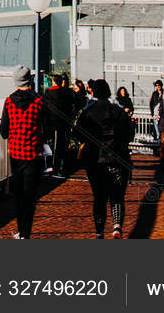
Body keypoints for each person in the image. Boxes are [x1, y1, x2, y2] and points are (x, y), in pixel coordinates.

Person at [75, 77, 135, 239]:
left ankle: (99, 232)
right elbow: (129, 134)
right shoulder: (119, 111)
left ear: (94, 92)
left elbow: (78, 133)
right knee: (117, 196)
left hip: (95, 160)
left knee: (99, 196)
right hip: (118, 158)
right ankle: (117, 226)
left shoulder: (88, 112)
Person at [0, 65, 47, 239]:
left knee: (19, 194)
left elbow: (4, 131)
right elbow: (47, 127)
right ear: (30, 80)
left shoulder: (9, 101)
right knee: (31, 195)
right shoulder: (39, 101)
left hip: (16, 154)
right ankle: (26, 232)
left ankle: (21, 231)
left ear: (16, 81)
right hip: (34, 154)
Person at [44, 74, 74, 178]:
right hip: (63, 123)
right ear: (61, 82)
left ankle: (49, 168)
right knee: (60, 147)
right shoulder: (67, 93)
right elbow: (70, 107)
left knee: (50, 146)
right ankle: (58, 169)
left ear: (53, 82)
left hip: (50, 123)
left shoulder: (48, 92)